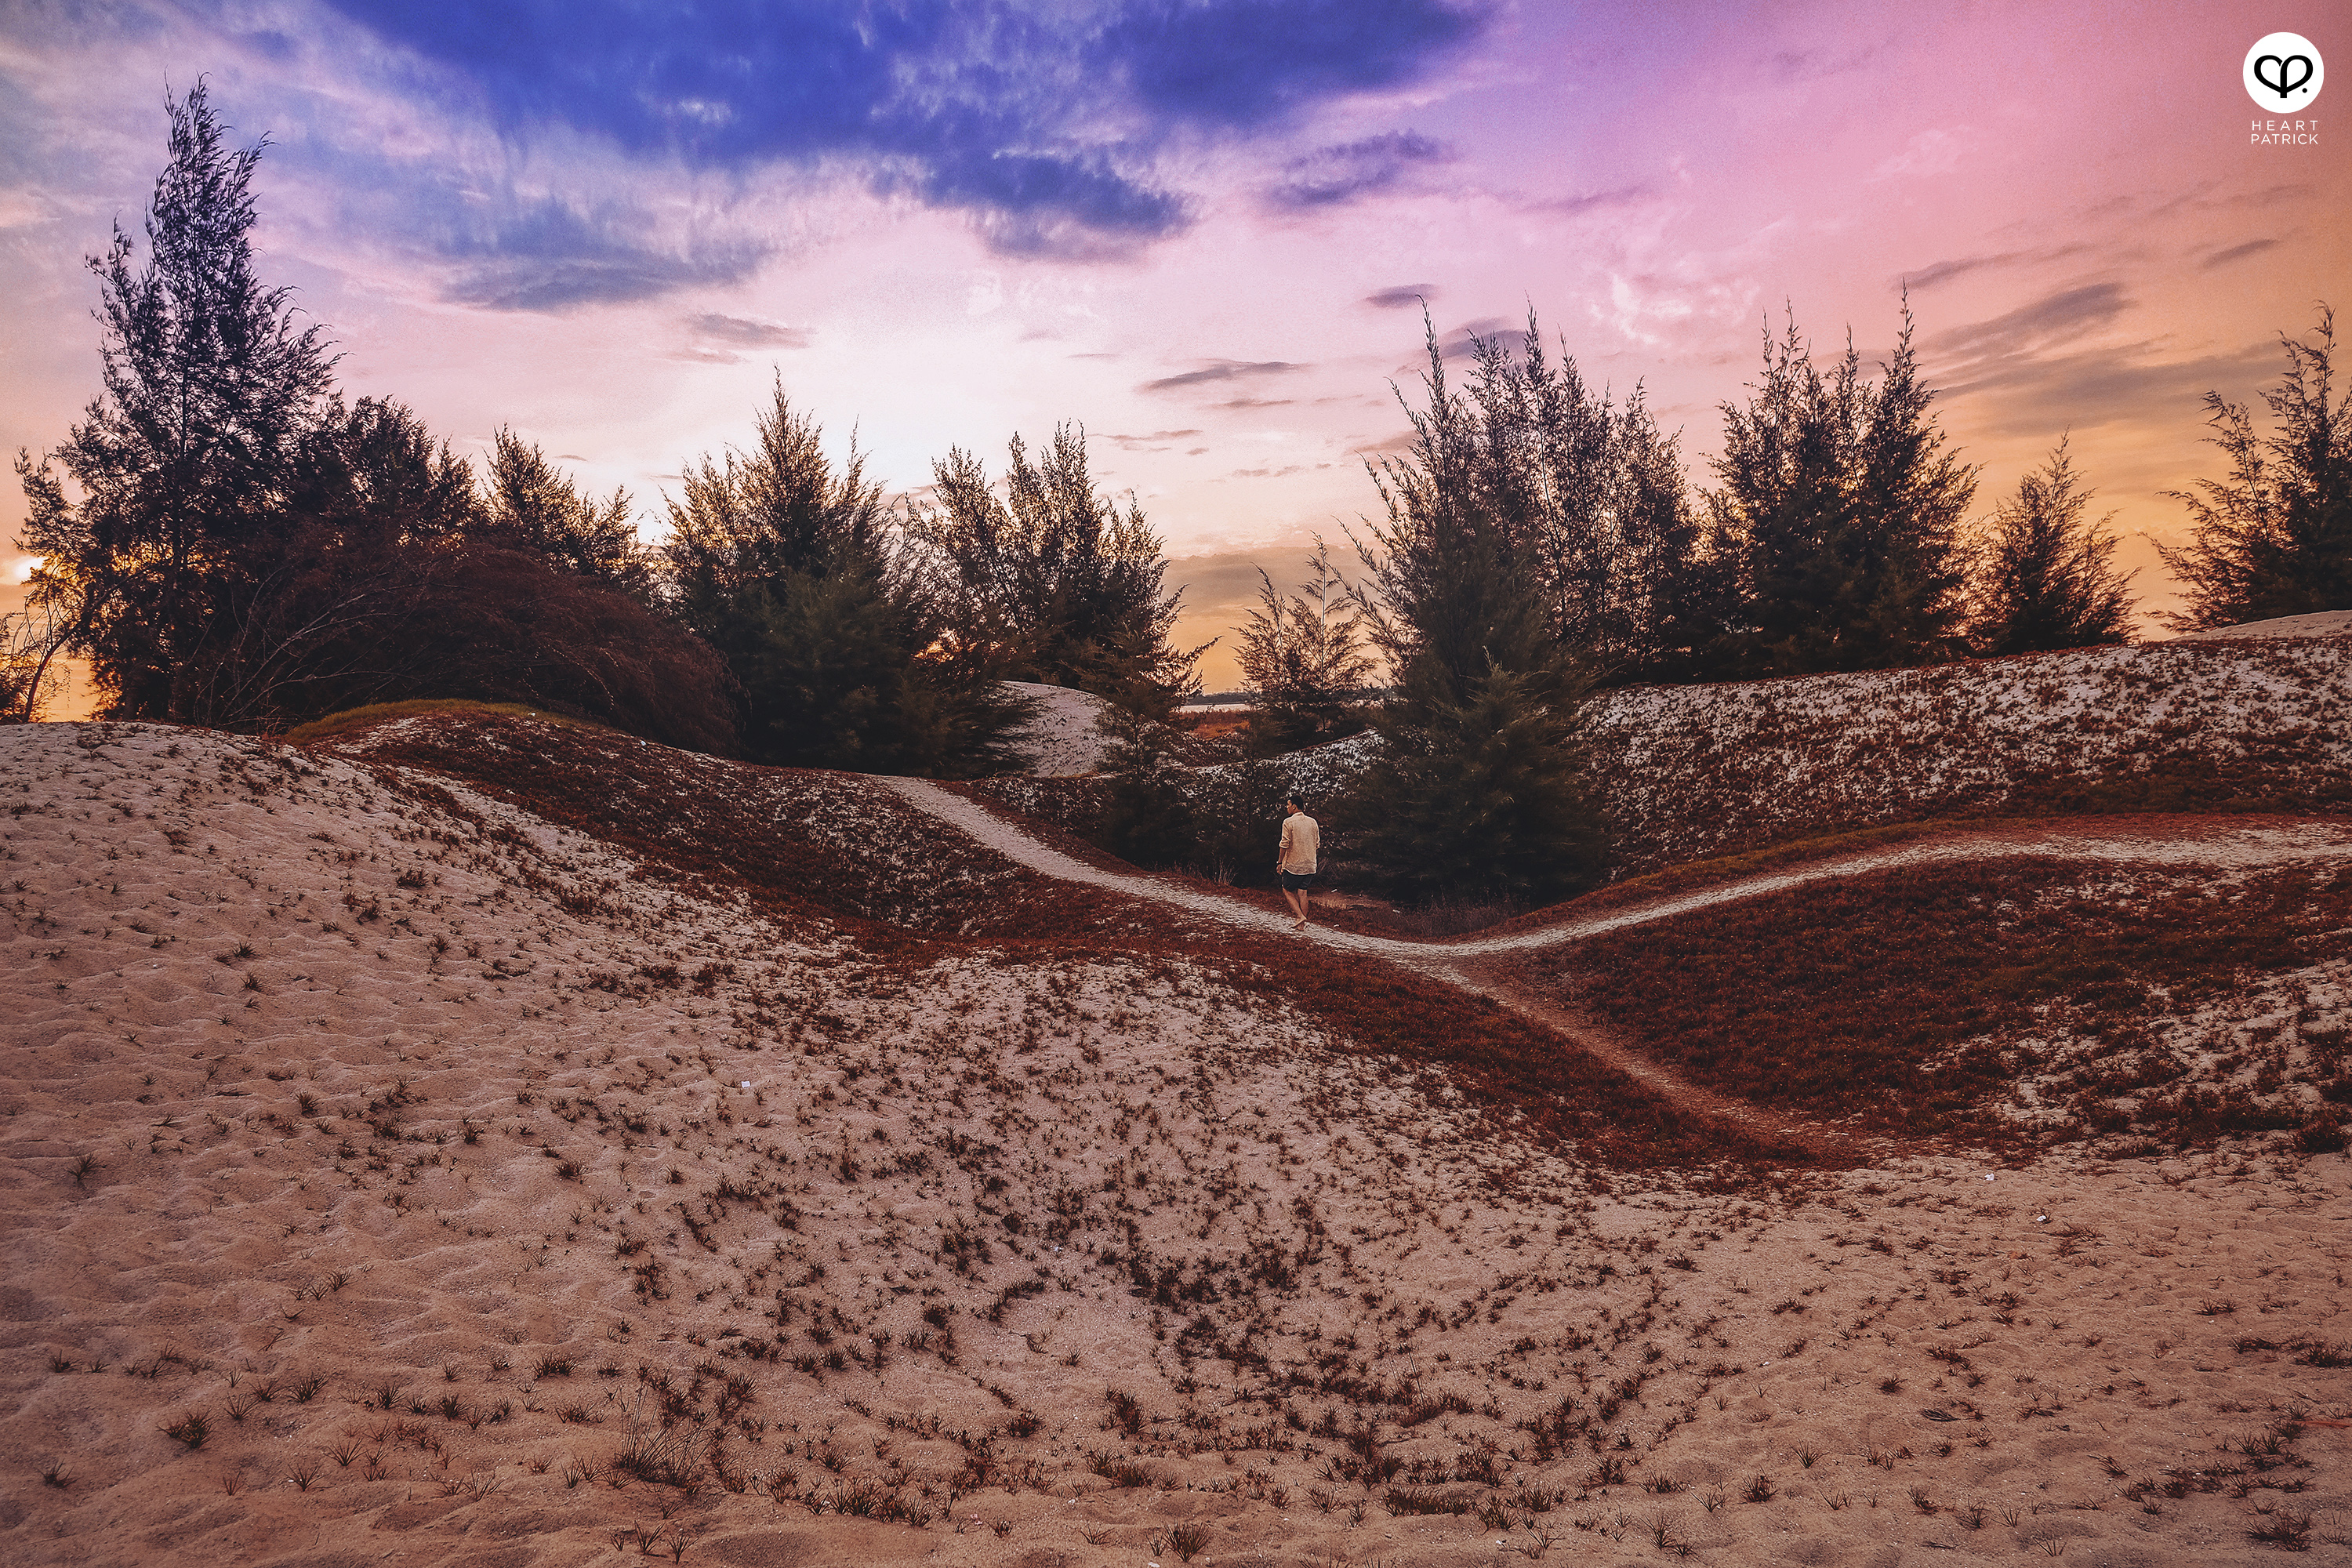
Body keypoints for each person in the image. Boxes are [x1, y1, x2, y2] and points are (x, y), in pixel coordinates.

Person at [1276, 793, 1319, 930]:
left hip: (1294, 865)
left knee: (1287, 890)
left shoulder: (1288, 822)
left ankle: (1300, 916)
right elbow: (1317, 844)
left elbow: (1284, 844)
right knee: (1303, 892)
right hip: (1310, 865)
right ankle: (1301, 925)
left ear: (1294, 807)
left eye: (1288, 805)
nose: (1287, 808)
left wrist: (1280, 862)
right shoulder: (1313, 822)